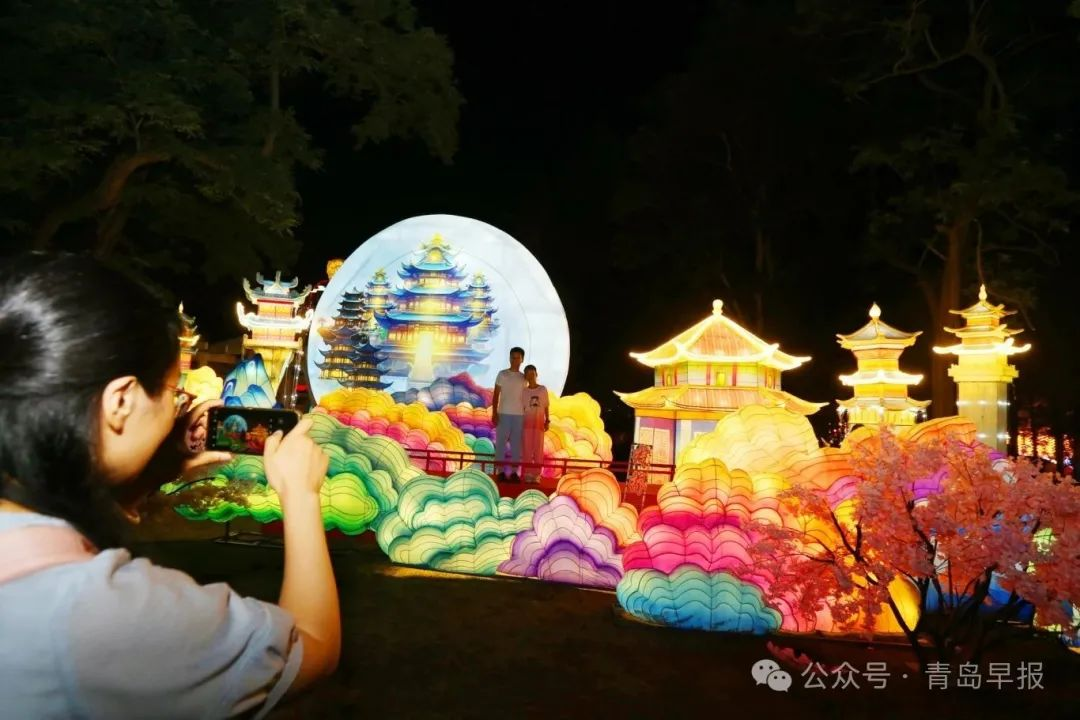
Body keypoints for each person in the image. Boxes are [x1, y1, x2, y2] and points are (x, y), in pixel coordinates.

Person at [0, 253, 339, 719]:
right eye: (175, 394)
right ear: (121, 401)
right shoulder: (110, 615)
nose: (177, 410)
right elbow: (313, 648)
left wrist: (146, 473)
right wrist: (300, 495)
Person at [490, 347, 526, 482]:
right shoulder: (502, 374)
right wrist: (494, 413)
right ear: (509, 358)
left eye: (517, 357)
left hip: (519, 415)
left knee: (516, 444)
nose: (514, 360)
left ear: (522, 359)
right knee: (501, 443)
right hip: (503, 413)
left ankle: (515, 473)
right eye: (512, 357)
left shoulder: (524, 378)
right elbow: (496, 395)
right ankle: (500, 471)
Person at [520, 365, 550, 484]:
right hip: (526, 425)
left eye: (532, 373)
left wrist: (547, 420)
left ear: (536, 374)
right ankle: (527, 474)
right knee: (527, 449)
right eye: (527, 374)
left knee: (538, 450)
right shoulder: (524, 391)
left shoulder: (542, 389)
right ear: (525, 377)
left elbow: (546, 406)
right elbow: (522, 408)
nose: (530, 376)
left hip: (539, 424)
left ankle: (537, 475)